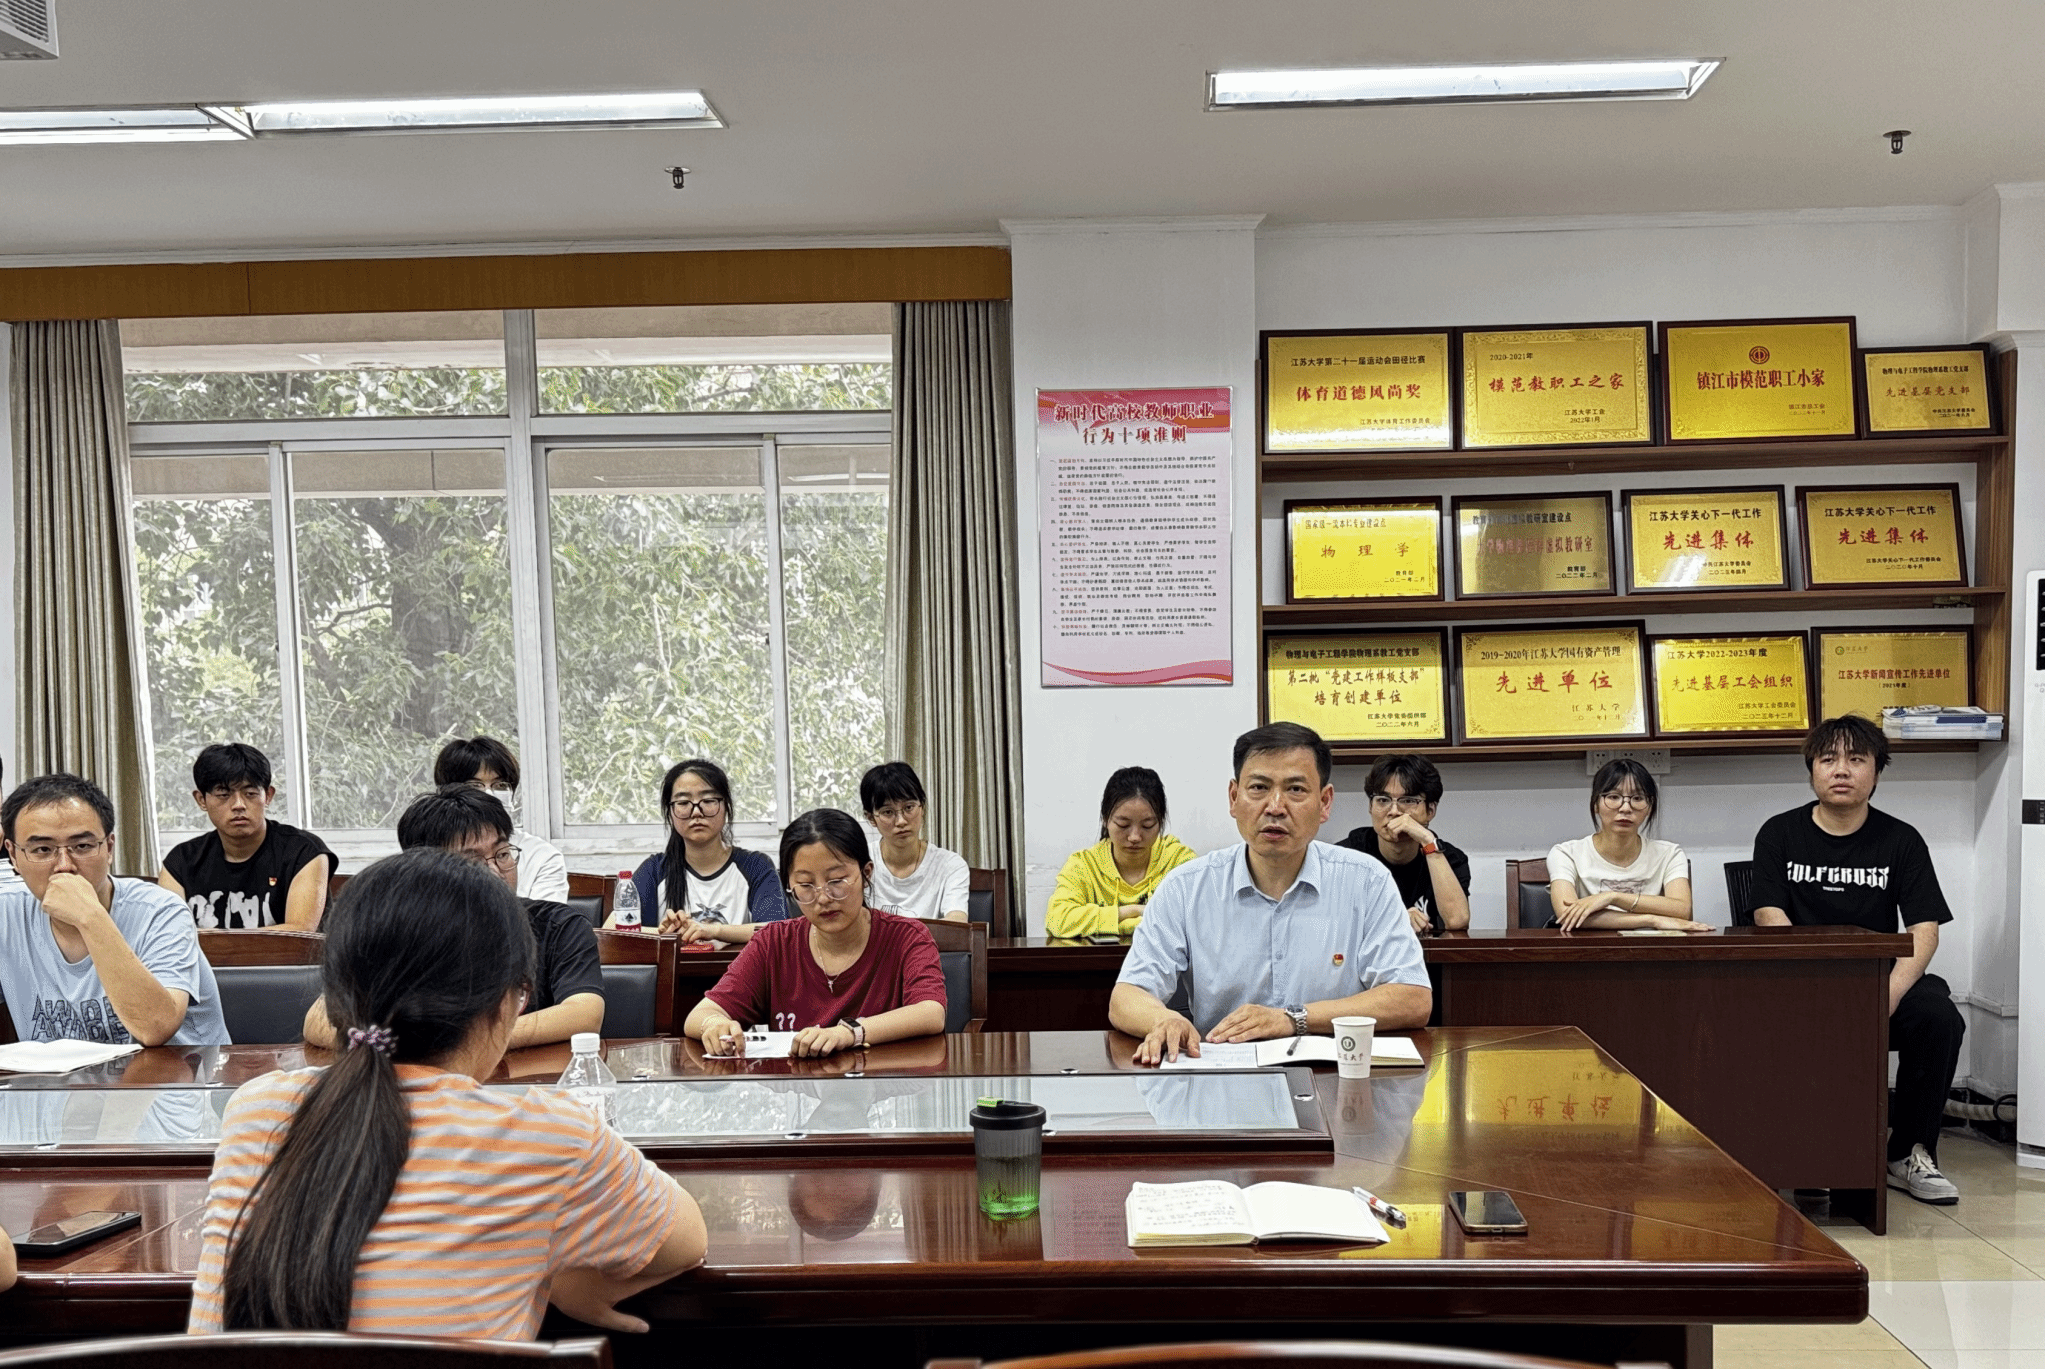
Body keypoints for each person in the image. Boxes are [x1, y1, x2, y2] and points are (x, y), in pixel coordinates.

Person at [189, 848, 704, 1337]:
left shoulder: (257, 1111)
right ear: (504, 1004)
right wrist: (569, 1281)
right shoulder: (548, 1135)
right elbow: (686, 1241)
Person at [1110, 723, 1432, 1066]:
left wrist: (1294, 1018)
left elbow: (1412, 998)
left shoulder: (1367, 881)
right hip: (1225, 1078)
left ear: (1324, 803)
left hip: (1336, 1079)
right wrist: (1163, 1020)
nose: (1275, 807)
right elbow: (1127, 995)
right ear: (1234, 798)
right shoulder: (1187, 887)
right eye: (1259, 788)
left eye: (1295, 789)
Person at [1751, 714, 1966, 1206]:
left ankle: (1908, 1152)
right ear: (1812, 770)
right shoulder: (1779, 833)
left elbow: (1925, 930)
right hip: (1800, 979)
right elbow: (1768, 915)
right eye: (1828, 759)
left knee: (1938, 1018)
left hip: (1877, 979)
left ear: (1876, 772)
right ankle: (1802, 1148)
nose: (1841, 770)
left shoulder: (1901, 839)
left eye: (1856, 759)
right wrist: (1814, 986)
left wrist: (1885, 995)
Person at [305, 786, 603, 1050]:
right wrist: (428, 1051)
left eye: (502, 854)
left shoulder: (556, 925)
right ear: (425, 871)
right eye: (472, 861)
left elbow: (584, 1014)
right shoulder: (397, 930)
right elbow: (319, 1021)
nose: (495, 871)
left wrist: (462, 1046)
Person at [684, 809, 947, 1058]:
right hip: (797, 1087)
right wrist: (714, 1024)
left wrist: (849, 1033)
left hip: (884, 1085)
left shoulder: (907, 937)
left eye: (836, 881)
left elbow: (930, 1012)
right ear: (789, 886)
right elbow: (700, 1015)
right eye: (806, 885)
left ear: (866, 873)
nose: (823, 898)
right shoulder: (773, 943)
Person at [0, 773, 228, 1046]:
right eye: (42, 850)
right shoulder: (7, 913)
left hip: (182, 1071)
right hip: (61, 1075)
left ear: (109, 848)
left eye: (82, 846)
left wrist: (90, 916)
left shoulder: (161, 910)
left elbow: (155, 1028)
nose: (64, 866)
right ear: (13, 855)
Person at [158, 743, 337, 930]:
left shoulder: (304, 852)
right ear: (201, 800)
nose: (238, 805)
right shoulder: (180, 862)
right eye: (223, 794)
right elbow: (168, 935)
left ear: (268, 796)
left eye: (250, 793)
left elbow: (300, 934)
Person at [611, 759, 786, 943]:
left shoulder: (755, 867)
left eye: (708, 800)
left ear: (726, 807)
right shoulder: (655, 870)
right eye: (683, 802)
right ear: (670, 812)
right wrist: (663, 935)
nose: (696, 812)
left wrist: (714, 930)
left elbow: (777, 932)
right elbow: (610, 931)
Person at [1546, 759, 1709, 933]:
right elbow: (1566, 914)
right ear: (1595, 805)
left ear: (1649, 807)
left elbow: (1681, 910)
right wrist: (1651, 919)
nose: (1625, 808)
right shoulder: (1566, 853)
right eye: (1613, 797)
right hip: (1588, 947)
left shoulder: (1669, 854)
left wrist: (1612, 897)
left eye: (1637, 798)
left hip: (1652, 948)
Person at [1046, 766, 1196, 939]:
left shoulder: (1178, 861)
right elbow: (1057, 919)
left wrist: (1114, 924)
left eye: (1147, 825)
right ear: (1105, 819)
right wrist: (1132, 911)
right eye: (1123, 825)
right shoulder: (1084, 865)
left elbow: (1200, 917)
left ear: (1160, 822)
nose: (1135, 837)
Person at [1335, 753, 1471, 936]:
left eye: (1408, 801)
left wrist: (1428, 841)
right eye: (1383, 800)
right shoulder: (1346, 857)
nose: (1394, 811)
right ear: (1370, 807)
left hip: (1425, 955)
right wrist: (1394, 919)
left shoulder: (1450, 859)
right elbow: (1331, 924)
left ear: (1430, 810)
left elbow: (1457, 921)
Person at [432, 735, 567, 903]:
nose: (489, 794)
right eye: (474, 785)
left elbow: (547, 917)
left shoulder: (541, 856)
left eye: (500, 785)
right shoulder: (434, 848)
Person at [860, 762, 970, 922]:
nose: (901, 821)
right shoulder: (859, 861)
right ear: (871, 818)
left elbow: (957, 923)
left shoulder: (950, 865)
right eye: (888, 812)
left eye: (909, 807)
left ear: (922, 807)